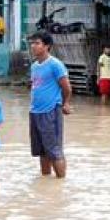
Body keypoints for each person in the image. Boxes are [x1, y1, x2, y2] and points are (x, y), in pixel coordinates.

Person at [29, 31, 73, 178]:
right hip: (35, 112)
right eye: (32, 43)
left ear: (47, 46)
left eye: (37, 43)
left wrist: (65, 103)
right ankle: (46, 183)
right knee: (42, 151)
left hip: (51, 111)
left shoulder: (55, 65)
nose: (33, 46)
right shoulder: (34, 66)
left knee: (54, 150)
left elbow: (66, 87)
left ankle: (61, 183)